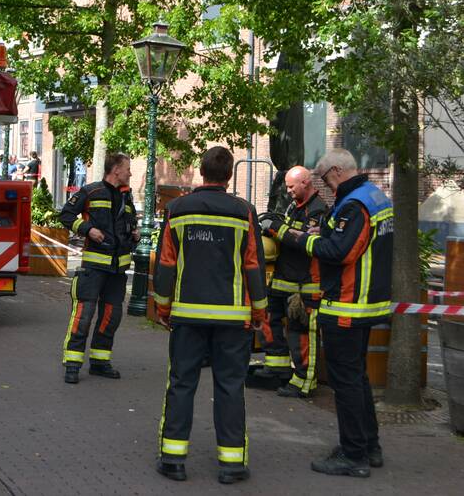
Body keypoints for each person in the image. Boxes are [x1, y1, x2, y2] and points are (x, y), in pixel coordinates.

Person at [153, 146, 268, 485]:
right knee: (230, 387)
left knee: (181, 384)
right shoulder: (244, 212)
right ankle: (231, 465)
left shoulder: (177, 209)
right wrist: (259, 312)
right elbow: (253, 265)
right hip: (233, 319)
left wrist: (163, 308)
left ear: (201, 172)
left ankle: (173, 460)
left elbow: (166, 264)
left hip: (187, 316)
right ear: (229, 175)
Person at [280, 149, 392, 478]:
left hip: (347, 303)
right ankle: (369, 446)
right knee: (357, 378)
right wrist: (324, 234)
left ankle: (353, 455)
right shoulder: (376, 197)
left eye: (326, 179)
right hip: (366, 303)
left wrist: (299, 239)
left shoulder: (355, 204)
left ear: (336, 171)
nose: (326, 186)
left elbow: (338, 252)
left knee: (346, 383)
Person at [58, 153, 139, 383]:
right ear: (116, 170)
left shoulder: (126, 197)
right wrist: (88, 229)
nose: (130, 173)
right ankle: (72, 364)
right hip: (93, 268)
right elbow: (66, 215)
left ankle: (100, 362)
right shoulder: (91, 191)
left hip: (118, 270)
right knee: (83, 316)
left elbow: (129, 226)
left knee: (111, 317)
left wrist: (134, 235)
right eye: (127, 169)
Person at [258, 166, 329, 397]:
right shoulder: (293, 206)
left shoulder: (319, 210)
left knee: (301, 334)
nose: (288, 191)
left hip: (305, 286)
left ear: (305, 183)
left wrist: (275, 227)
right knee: (266, 318)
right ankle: (277, 367)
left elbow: (301, 239)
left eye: (291, 186)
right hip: (282, 281)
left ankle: (303, 382)